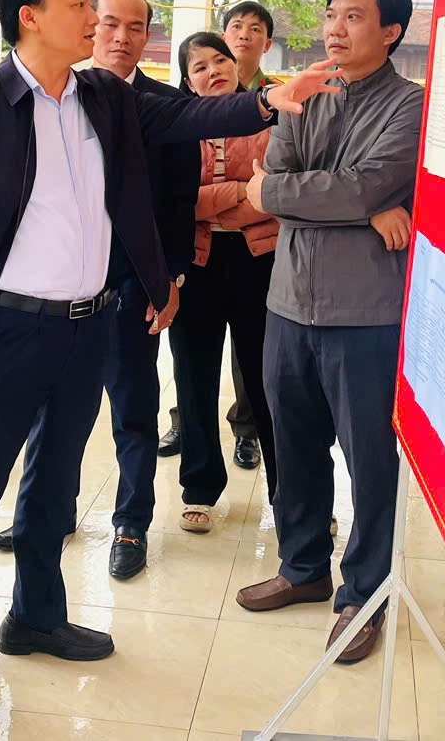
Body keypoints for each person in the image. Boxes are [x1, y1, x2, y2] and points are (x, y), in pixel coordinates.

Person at [0, 0, 342, 740]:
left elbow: (186, 119)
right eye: (81, 5)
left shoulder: (106, 97)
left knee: (54, 481)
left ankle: (36, 616)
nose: (96, 21)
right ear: (30, 17)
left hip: (86, 326)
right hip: (6, 331)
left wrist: (267, 101)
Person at [236, 0, 422, 667]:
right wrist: (358, 207)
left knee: (369, 458)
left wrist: (349, 199)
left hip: (364, 312)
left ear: (391, 31)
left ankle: (363, 595)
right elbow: (274, 183)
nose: (335, 30)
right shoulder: (304, 93)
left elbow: (361, 185)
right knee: (294, 443)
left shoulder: (410, 104)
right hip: (287, 302)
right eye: (331, 15)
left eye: (354, 17)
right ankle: (304, 566)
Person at [0, 0, 199, 579]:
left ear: (148, 36)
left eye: (136, 27)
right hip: (57, 294)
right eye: (109, 23)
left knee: (133, 409)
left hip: (131, 287)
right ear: (88, 25)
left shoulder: (164, 105)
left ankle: (131, 522)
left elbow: (179, 203)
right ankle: (49, 514)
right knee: (52, 413)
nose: (121, 37)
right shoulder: (52, 98)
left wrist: (169, 277)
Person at [169, 31, 281, 533]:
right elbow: (175, 199)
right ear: (187, 81)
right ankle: (199, 488)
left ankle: (287, 493)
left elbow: (276, 192)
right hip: (196, 263)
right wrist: (239, 191)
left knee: (267, 381)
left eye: (220, 60)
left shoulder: (271, 119)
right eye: (199, 67)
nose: (213, 70)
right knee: (194, 379)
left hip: (261, 261)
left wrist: (217, 199)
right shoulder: (176, 125)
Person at [219, 0, 277, 468]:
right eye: (236, 26)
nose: (244, 34)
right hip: (202, 241)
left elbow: (278, 178)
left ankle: (248, 428)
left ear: (267, 42)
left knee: (251, 347)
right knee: (194, 351)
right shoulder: (196, 91)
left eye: (255, 28)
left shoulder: (279, 100)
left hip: (257, 242)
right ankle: (186, 421)